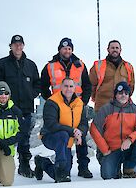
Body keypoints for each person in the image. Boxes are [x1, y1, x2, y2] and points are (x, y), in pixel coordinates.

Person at [40, 37, 92, 178]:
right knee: (62, 134)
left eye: (69, 48)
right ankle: (58, 165)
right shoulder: (50, 66)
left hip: (77, 105)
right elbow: (43, 85)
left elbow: (87, 85)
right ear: (59, 49)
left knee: (82, 134)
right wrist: (51, 100)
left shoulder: (80, 64)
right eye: (64, 48)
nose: (67, 51)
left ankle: (83, 167)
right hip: (58, 107)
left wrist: (83, 101)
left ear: (72, 50)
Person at [0, 35, 40, 178]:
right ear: (11, 46)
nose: (18, 47)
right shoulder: (2, 64)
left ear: (23, 46)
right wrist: (3, 100)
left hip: (26, 108)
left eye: (20, 44)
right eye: (15, 44)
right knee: (3, 136)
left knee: (24, 137)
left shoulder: (31, 65)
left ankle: (24, 165)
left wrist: (31, 94)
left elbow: (38, 84)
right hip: (6, 109)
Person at [90, 81, 136, 179]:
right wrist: (104, 150)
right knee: (107, 176)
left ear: (129, 95)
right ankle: (113, 167)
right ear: (115, 95)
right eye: (120, 93)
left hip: (128, 148)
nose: (123, 96)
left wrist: (130, 139)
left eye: (126, 93)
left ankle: (128, 168)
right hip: (111, 150)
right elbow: (94, 129)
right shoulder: (106, 109)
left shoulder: (135, 110)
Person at [34, 78, 88, 183]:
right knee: (63, 135)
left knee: (63, 173)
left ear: (75, 88)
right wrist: (73, 131)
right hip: (50, 137)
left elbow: (84, 123)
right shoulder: (52, 102)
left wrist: (80, 132)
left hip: (67, 140)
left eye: (71, 86)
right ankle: (61, 166)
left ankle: (42, 162)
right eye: (66, 86)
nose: (68, 89)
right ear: (61, 87)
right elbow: (51, 125)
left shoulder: (79, 103)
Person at [89, 40, 135, 112]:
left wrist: (124, 97)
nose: (115, 50)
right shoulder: (98, 65)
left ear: (120, 50)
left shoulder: (128, 67)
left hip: (122, 107)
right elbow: (91, 85)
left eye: (117, 48)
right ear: (108, 49)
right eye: (112, 48)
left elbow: (131, 86)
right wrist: (97, 98)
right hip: (102, 105)